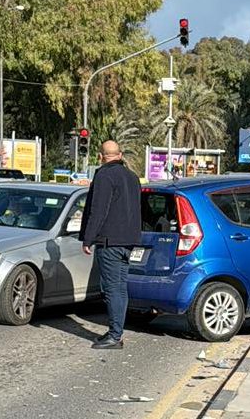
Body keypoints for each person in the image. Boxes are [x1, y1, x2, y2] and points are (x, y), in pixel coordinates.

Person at [79, 141, 141, 350]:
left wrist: (88, 238)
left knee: (112, 288)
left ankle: (115, 336)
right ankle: (116, 330)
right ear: (120, 155)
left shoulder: (104, 176)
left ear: (100, 156)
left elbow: (99, 210)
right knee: (120, 288)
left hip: (110, 241)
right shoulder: (132, 177)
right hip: (127, 240)